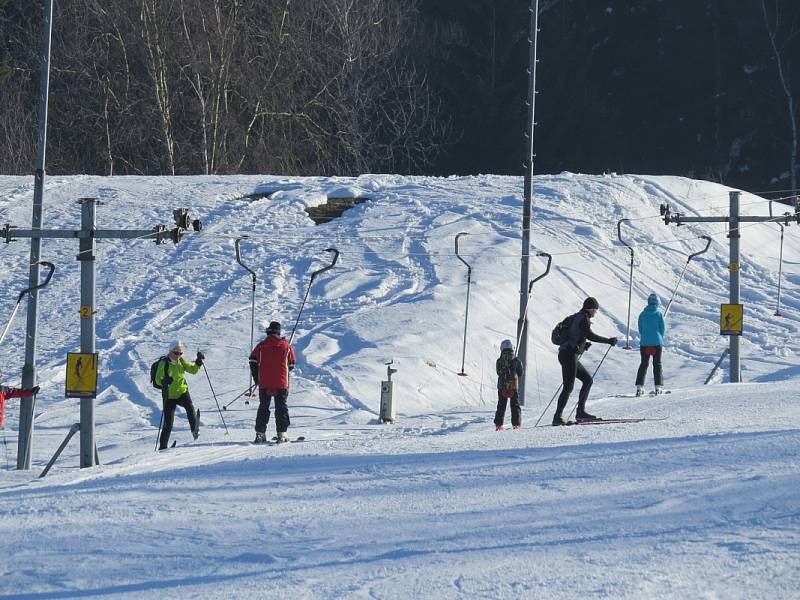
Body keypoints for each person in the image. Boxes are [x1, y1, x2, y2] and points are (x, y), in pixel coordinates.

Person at [552, 297, 618, 425]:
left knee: (587, 380)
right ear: (591, 308)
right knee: (568, 386)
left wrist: (583, 345)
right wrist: (608, 340)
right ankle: (557, 417)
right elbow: (590, 335)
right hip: (569, 355)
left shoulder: (575, 317)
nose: (595, 313)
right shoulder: (583, 319)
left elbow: (575, 335)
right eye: (595, 310)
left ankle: (580, 413)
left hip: (566, 354)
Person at [249, 321, 296, 444]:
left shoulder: (261, 345)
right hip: (281, 382)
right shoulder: (286, 345)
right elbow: (291, 363)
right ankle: (282, 434)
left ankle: (260, 434)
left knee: (263, 407)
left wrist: (257, 378)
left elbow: (252, 360)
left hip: (264, 382)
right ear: (278, 332)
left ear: (269, 331)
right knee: (281, 408)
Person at [154, 340, 202, 449]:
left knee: (190, 407)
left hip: (182, 392)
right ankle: (163, 447)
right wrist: (165, 381)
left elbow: (192, 370)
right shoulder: (164, 363)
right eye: (176, 353)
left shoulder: (181, 361)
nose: (178, 355)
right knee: (168, 424)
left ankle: (194, 430)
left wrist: (198, 362)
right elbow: (157, 380)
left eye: (180, 353)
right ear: (170, 351)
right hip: (169, 396)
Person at [636, 292, 666, 396]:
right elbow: (662, 329)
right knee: (657, 364)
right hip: (657, 342)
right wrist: (659, 337)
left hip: (644, 343)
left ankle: (639, 388)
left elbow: (640, 329)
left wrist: (646, 336)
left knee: (643, 364)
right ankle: (658, 387)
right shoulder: (659, 314)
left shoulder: (642, 314)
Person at [494, 339, 524, 431]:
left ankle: (499, 425)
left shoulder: (499, 360)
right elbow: (520, 373)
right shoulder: (516, 360)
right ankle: (516, 424)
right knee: (515, 404)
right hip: (513, 385)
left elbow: (498, 373)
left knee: (501, 405)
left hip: (502, 386)